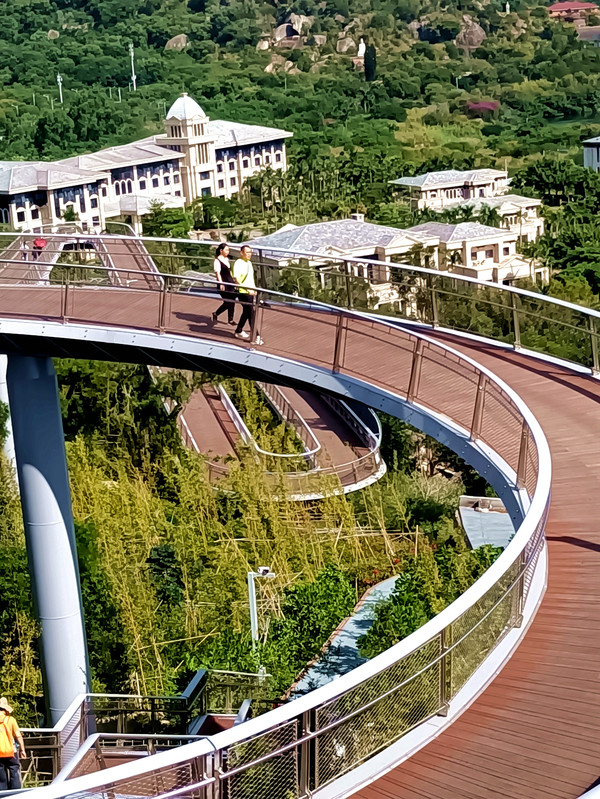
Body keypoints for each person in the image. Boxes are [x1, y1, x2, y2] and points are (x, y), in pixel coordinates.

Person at [232, 245, 263, 345]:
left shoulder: (249, 263)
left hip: (250, 292)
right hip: (243, 292)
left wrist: (254, 289)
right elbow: (237, 280)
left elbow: (250, 278)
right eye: (247, 252)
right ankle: (256, 336)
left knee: (246, 311)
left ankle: (238, 330)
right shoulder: (238, 263)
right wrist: (247, 289)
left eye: (250, 252)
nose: (249, 254)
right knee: (251, 313)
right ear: (241, 253)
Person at [0, 697, 26, 790]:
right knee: (14, 770)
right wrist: (22, 750)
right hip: (11, 751)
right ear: (6, 709)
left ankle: (3, 794)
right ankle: (15, 793)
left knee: (1, 775)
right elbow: (18, 736)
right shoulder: (11, 720)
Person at [211, 243, 236, 326]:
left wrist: (233, 280)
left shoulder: (227, 259)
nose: (228, 252)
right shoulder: (217, 261)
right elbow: (217, 273)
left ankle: (230, 319)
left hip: (230, 283)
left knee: (232, 301)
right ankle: (216, 313)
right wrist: (221, 283)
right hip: (224, 283)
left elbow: (229, 271)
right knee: (228, 302)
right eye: (226, 250)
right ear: (221, 250)